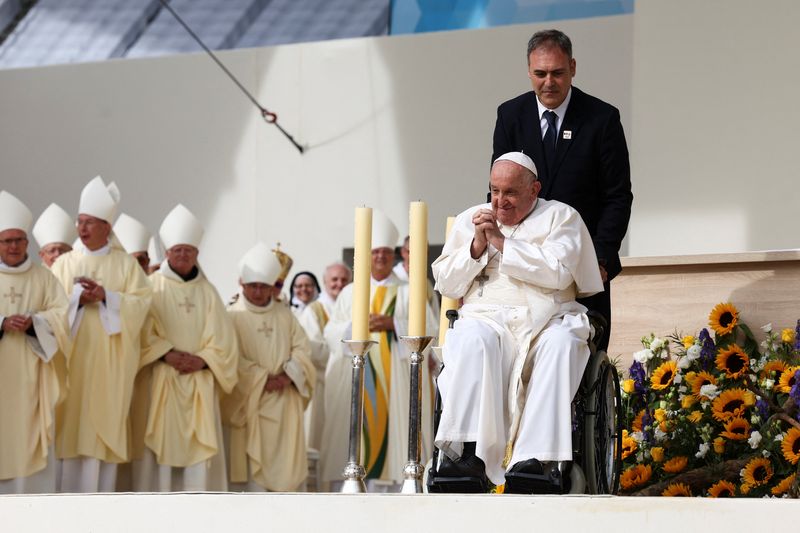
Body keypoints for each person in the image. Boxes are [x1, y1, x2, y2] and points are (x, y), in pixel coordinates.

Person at [431, 152, 603, 492]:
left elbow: (558, 273)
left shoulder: (561, 217)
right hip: (486, 315)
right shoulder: (472, 219)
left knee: (561, 344)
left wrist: (502, 243)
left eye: (509, 192)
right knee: (472, 340)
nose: (499, 201)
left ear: (534, 189)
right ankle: (467, 454)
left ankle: (537, 459)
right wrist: (477, 247)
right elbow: (447, 284)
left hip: (548, 316)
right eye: (494, 191)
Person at [491, 29, 632, 349]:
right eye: (540, 74)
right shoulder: (510, 116)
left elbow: (618, 196)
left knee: (580, 355)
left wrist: (600, 258)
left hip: (585, 269)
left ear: (573, 67)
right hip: (526, 263)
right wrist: (498, 248)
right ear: (529, 71)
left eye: (557, 72)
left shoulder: (602, 119)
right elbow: (499, 191)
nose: (548, 82)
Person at [320, 210, 437, 492]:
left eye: (385, 252)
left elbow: (429, 332)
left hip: (396, 380)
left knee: (396, 441)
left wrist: (393, 323)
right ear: (366, 255)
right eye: (375, 253)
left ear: (394, 254)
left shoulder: (410, 290)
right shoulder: (350, 292)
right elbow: (331, 333)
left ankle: (402, 480)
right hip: (359, 379)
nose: (381, 257)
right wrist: (354, 326)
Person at [50, 176, 152, 492]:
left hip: (110, 366)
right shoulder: (64, 264)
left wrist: (108, 297)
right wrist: (79, 299)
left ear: (107, 227)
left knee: (102, 430)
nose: (82, 228)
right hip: (73, 362)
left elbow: (142, 304)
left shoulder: (126, 265)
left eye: (90, 223)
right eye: (79, 222)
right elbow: (51, 310)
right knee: (71, 428)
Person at [135, 204, 237, 491]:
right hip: (162, 379)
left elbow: (225, 340)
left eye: (188, 250)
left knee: (197, 460)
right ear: (166, 253)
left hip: (199, 382)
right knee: (160, 454)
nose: (183, 255)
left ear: (197, 254)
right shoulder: (151, 286)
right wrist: (167, 353)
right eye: (177, 250)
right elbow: (141, 331)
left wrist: (203, 360)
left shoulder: (208, 292)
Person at [224, 243, 315, 492]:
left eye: (263, 286)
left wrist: (288, 376)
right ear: (242, 285)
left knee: (287, 476)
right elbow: (230, 357)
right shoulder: (232, 316)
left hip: (285, 403)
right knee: (254, 481)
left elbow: (302, 350)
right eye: (252, 286)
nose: (258, 292)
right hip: (251, 402)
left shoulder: (285, 315)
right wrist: (262, 378)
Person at [0, 191, 69, 494]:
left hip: (32, 380)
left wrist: (34, 323)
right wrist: (2, 323)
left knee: (29, 437)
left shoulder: (44, 278)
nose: (13, 246)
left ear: (28, 243)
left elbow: (62, 316)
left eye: (18, 240)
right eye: (6, 240)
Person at [297, 262, 351, 454]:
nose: (339, 284)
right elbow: (312, 348)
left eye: (344, 279)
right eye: (334, 279)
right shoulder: (314, 310)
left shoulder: (354, 306)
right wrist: (344, 353)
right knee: (320, 440)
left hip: (349, 382)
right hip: (322, 382)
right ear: (325, 282)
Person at [31, 203, 76, 268]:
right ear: (42, 255)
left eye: (62, 250)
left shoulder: (80, 274)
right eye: (52, 251)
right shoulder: (37, 276)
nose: (57, 254)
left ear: (71, 252)